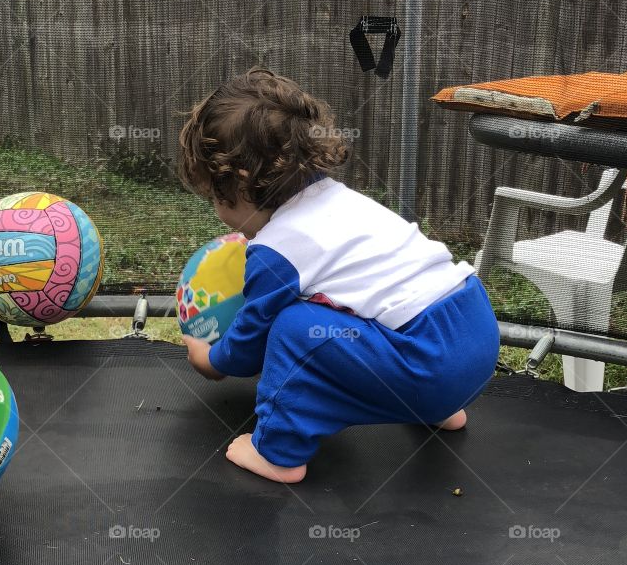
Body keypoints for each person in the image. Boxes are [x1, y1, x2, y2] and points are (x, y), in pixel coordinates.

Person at [177, 68, 500, 484]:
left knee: (294, 326)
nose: (218, 212)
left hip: (429, 366)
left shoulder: (275, 250)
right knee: (353, 311)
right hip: (476, 334)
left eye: (214, 197)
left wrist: (211, 360)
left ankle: (277, 452)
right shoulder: (342, 201)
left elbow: (250, 341)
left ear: (239, 184)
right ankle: (440, 408)